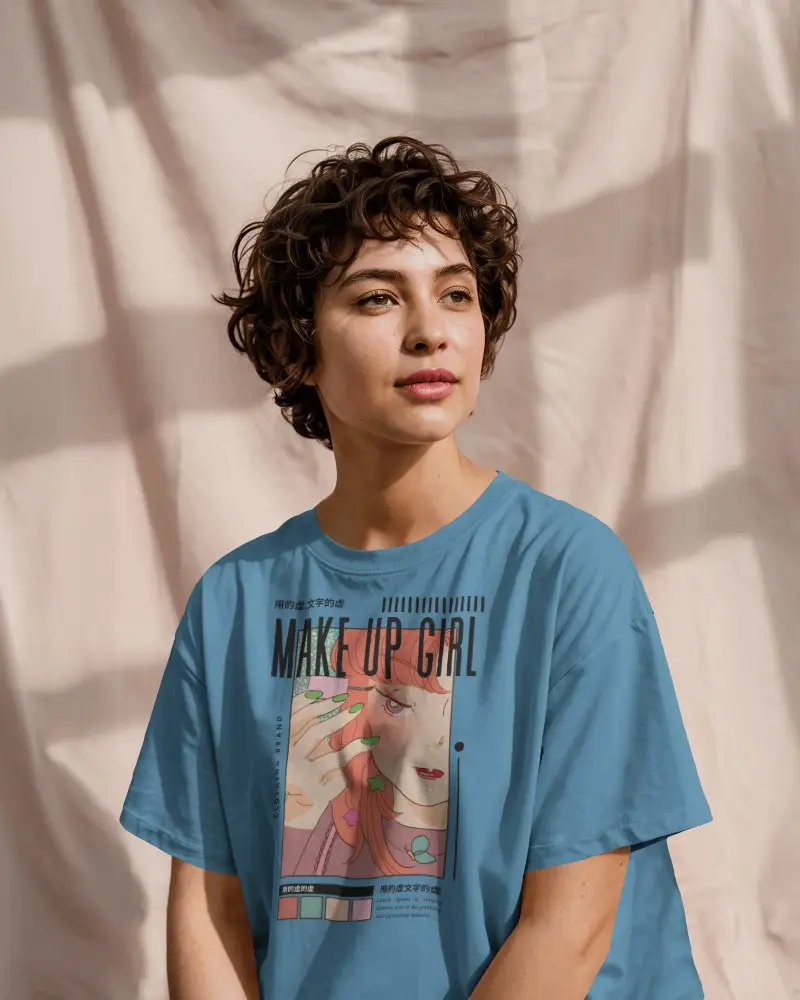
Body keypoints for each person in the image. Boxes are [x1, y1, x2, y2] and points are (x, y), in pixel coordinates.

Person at [120, 135, 712, 1000]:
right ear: (300, 347)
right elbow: (209, 915)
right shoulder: (236, 605)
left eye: (458, 295)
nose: (431, 330)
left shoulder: (566, 571)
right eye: (376, 298)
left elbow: (571, 926)